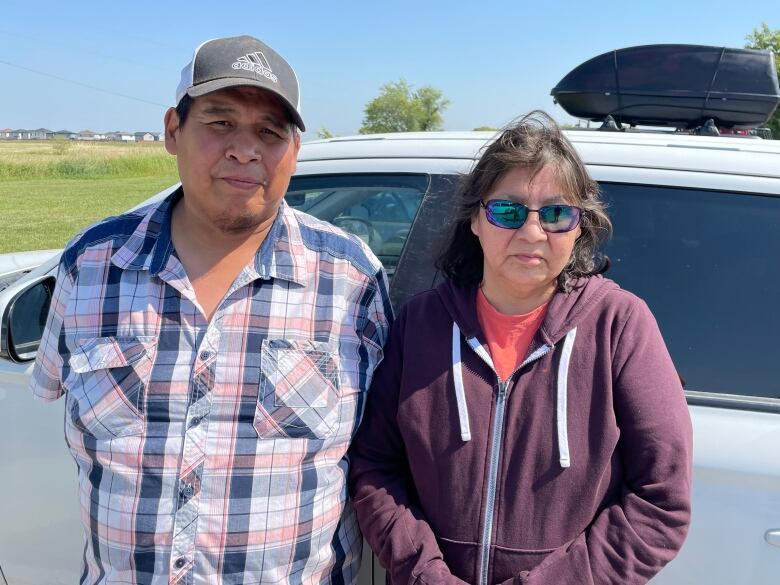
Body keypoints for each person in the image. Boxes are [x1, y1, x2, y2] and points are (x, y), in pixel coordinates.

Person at [30, 35, 391, 584]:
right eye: (221, 123)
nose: (245, 150)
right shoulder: (93, 265)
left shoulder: (351, 279)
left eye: (269, 132)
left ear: (294, 149)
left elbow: (382, 453)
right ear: (173, 130)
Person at [348, 112, 692, 585]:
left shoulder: (620, 325)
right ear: (475, 220)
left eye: (555, 213)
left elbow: (661, 501)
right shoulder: (421, 324)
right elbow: (375, 467)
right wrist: (427, 576)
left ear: (579, 227)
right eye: (507, 211)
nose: (532, 234)